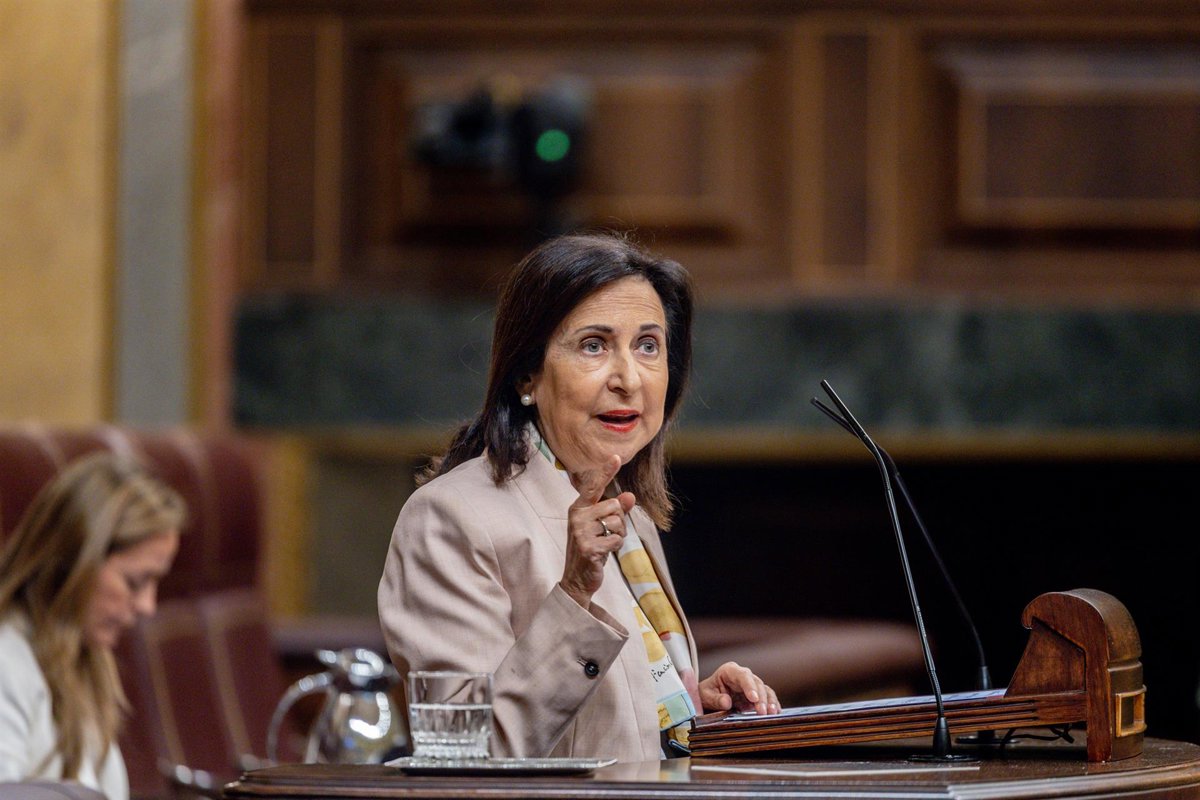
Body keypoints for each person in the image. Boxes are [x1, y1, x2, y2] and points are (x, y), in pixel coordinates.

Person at [378, 232, 779, 762]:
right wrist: (573, 594)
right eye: (594, 345)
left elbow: (599, 722)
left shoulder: (628, 514)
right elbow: (467, 754)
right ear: (527, 374)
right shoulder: (448, 519)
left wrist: (686, 711)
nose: (629, 379)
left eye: (648, 346)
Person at [0, 453, 186, 798]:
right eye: (134, 582)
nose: (148, 606)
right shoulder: (6, 662)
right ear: (75, 562)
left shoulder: (83, 660)